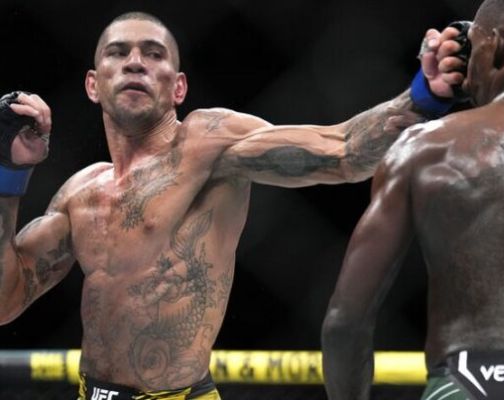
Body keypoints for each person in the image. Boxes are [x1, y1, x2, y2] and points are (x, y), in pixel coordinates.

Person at [0, 11, 466, 400]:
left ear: (178, 88)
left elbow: (342, 151)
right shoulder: (79, 192)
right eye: (117, 53)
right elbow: (6, 302)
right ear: (92, 85)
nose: (135, 62)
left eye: (154, 54)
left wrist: (422, 98)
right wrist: (9, 174)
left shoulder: (206, 144)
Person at [321, 0, 504, 399]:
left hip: (461, 383)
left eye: (473, 44)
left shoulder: (425, 149)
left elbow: (345, 321)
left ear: (495, 46)